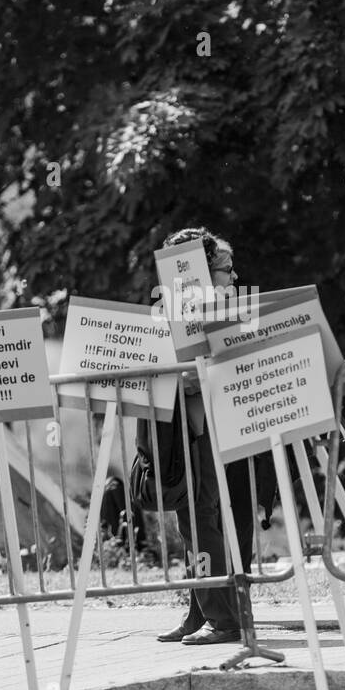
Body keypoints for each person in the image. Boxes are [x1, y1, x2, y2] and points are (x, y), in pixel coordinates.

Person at [137, 226, 275, 645]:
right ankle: (203, 611)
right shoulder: (174, 313)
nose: (234, 278)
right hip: (195, 435)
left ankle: (225, 618)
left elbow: (224, 373)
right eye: (226, 270)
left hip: (223, 433)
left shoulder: (232, 313)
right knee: (197, 522)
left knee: (205, 522)